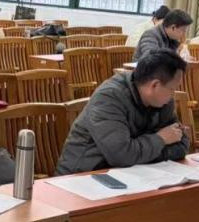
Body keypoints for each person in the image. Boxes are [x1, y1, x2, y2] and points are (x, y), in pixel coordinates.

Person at [56, 48, 190, 175]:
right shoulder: (109, 98)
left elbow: (182, 143)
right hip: (81, 176)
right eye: (172, 89)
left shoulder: (162, 101)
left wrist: (143, 155)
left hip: (129, 173)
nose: (173, 95)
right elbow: (121, 155)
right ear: (155, 85)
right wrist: (161, 139)